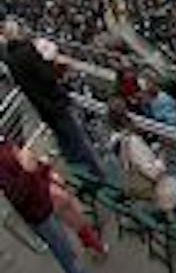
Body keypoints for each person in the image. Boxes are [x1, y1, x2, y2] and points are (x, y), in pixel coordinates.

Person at [0, 137, 117, 273]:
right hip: (40, 215)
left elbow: (29, 162)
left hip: (43, 199)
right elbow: (16, 195)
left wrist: (45, 170)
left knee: (75, 224)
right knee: (69, 259)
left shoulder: (4, 142)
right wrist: (28, 171)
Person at [2, 20, 101, 179]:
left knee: (65, 142)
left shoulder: (10, 58)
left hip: (42, 108)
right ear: (16, 33)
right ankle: (96, 173)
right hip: (55, 102)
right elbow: (46, 76)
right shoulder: (27, 50)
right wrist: (50, 64)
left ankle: (80, 175)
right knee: (77, 139)